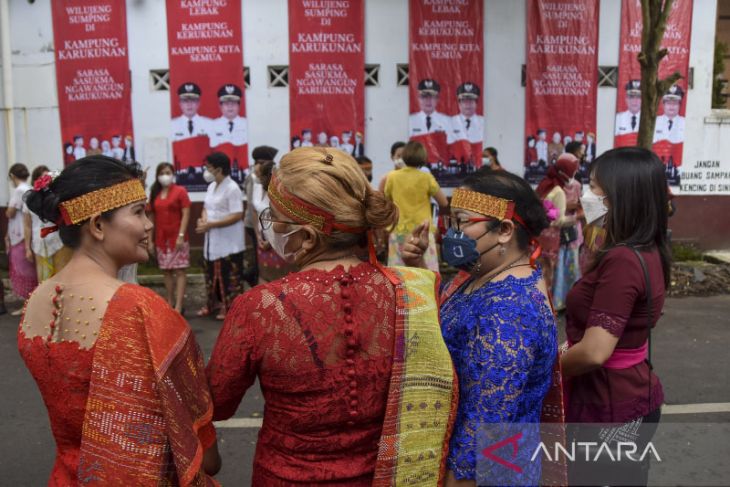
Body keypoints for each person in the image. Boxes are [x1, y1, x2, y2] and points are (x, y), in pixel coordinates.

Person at [206, 147, 458, 485]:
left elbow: (216, 404)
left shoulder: (260, 306)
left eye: (274, 218)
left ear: (307, 237)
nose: (270, 228)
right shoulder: (413, 292)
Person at [19, 155, 220, 485]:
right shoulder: (140, 309)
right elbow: (204, 451)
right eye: (138, 212)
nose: (148, 225)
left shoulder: (33, 304)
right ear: (98, 225)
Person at [401, 169, 560, 486]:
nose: (450, 233)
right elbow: (448, 320)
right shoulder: (483, 276)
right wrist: (418, 267)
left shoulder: (509, 312)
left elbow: (484, 431)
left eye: (461, 222)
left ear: (503, 230)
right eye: (450, 222)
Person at [561, 147, 668, 486]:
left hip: (609, 405)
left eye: (594, 187)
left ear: (620, 196)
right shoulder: (646, 247)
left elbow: (595, 351)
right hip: (628, 396)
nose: (587, 195)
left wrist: (541, 371)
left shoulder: (622, 259)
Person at [384, 141, 448, 272]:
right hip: (422, 233)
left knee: (398, 275)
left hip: (398, 231)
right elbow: (443, 202)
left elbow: (385, 202)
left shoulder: (392, 177)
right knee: (426, 273)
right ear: (423, 157)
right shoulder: (426, 177)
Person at [196, 152, 245, 320]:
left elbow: (237, 214)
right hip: (212, 240)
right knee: (211, 273)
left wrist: (211, 224)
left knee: (228, 274)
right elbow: (206, 207)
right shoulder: (211, 186)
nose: (206, 171)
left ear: (218, 169)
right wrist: (203, 219)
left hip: (229, 242)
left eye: (208, 167)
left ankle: (230, 308)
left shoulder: (232, 188)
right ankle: (213, 304)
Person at [148, 162, 191, 314]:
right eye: (162, 173)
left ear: (173, 174)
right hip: (161, 239)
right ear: (157, 176)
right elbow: (151, 218)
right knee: (166, 271)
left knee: (179, 271)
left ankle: (179, 305)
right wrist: (150, 240)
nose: (165, 176)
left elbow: (186, 213)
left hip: (177, 238)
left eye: (168, 172)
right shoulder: (155, 194)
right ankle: (170, 301)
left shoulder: (180, 191)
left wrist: (181, 235)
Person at [536, 154, 580, 294]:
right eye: (573, 171)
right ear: (566, 173)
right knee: (548, 272)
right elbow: (558, 220)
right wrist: (577, 217)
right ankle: (544, 304)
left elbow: (548, 212)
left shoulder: (545, 185)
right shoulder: (558, 192)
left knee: (537, 269)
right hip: (552, 238)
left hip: (539, 234)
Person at [23, 166, 72, 283]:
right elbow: (27, 225)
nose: (44, 181)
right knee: (43, 280)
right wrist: (27, 248)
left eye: (46, 177)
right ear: (35, 181)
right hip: (39, 244)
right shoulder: (30, 200)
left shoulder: (58, 197)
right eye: (41, 178)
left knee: (62, 279)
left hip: (59, 242)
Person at [250, 160, 297, 283]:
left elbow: (284, 219)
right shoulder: (256, 188)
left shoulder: (280, 193)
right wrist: (257, 235)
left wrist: (270, 242)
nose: (256, 177)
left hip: (279, 241)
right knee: (264, 274)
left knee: (280, 278)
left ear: (267, 176)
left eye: (259, 174)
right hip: (262, 239)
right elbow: (255, 211)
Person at [243, 145, 278, 287]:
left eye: (261, 163)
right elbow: (253, 208)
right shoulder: (255, 182)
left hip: (275, 235)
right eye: (256, 163)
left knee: (275, 274)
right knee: (261, 270)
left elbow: (278, 215)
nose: (257, 167)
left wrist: (271, 239)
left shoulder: (277, 186)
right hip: (258, 230)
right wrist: (258, 234)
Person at [6, 163, 36, 315]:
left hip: (19, 235)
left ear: (12, 176)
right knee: (29, 270)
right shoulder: (29, 188)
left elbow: (10, 213)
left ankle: (27, 305)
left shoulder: (19, 190)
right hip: (28, 234)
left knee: (23, 270)